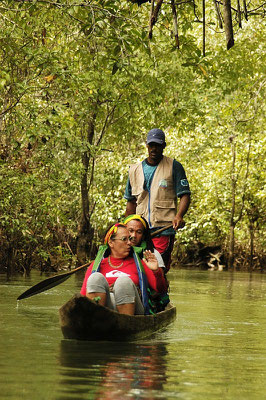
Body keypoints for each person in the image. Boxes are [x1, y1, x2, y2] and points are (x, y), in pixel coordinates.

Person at [124, 128, 191, 272]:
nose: (154, 149)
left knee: (157, 267)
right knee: (137, 267)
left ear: (164, 146)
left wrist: (179, 216)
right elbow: (131, 202)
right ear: (147, 145)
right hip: (139, 231)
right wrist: (125, 228)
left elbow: (185, 195)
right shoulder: (134, 170)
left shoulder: (174, 166)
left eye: (158, 145)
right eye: (151, 145)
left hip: (163, 229)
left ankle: (159, 290)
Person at [80, 223, 167, 315]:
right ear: (111, 243)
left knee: (123, 282)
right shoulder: (97, 265)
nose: (129, 243)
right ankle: (94, 320)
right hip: (105, 309)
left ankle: (126, 323)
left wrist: (156, 271)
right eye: (124, 239)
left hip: (134, 310)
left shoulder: (139, 263)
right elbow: (83, 295)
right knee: (95, 278)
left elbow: (161, 290)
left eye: (129, 239)